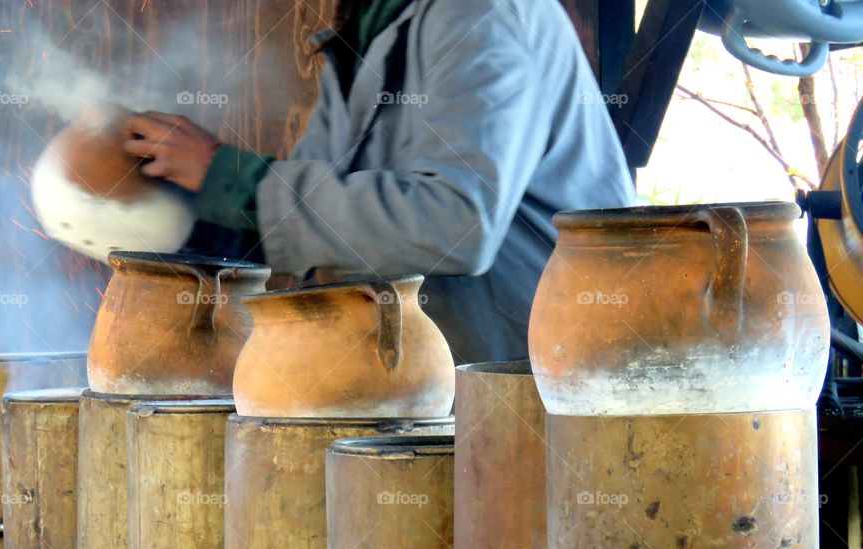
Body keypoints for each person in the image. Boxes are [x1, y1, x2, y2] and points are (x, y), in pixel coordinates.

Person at [124, 0, 635, 363]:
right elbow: (314, 225)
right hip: (439, 381)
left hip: (539, 379)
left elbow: (455, 225)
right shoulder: (368, 29)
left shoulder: (481, 13)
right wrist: (182, 211)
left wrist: (227, 177)